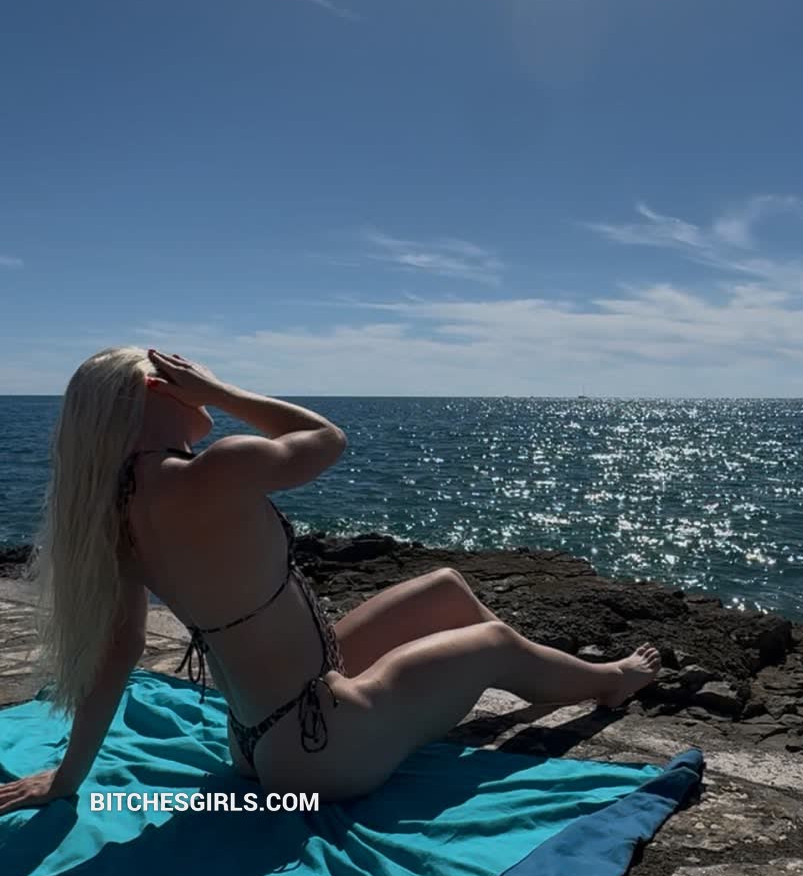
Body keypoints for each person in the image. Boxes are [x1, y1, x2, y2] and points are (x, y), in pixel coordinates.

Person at [0, 347, 660, 812]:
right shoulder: (215, 469)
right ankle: (608, 680)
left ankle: (514, 675)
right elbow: (327, 438)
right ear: (158, 389)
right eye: (183, 373)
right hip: (325, 749)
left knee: (444, 590)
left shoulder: (118, 514)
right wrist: (221, 394)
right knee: (491, 643)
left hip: (257, 746)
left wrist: (68, 777)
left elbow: (120, 651)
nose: (197, 379)